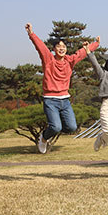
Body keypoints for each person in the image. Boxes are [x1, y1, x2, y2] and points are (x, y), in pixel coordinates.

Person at [25, 22, 99, 154]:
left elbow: (81, 53)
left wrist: (95, 45)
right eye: (58, 46)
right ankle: (43, 138)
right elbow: (41, 47)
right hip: (50, 99)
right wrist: (31, 33)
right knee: (56, 127)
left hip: (65, 100)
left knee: (72, 127)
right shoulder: (49, 60)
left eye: (63, 46)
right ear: (54, 49)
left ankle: (53, 130)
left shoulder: (69, 61)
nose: (61, 48)